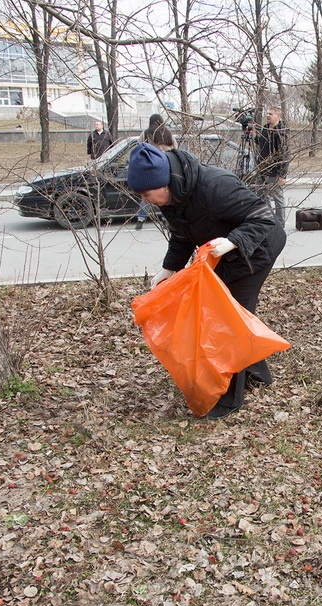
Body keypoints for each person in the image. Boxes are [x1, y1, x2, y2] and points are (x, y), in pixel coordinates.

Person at [127, 142, 287, 420]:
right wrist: (170, 268)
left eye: (146, 194)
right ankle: (258, 373)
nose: (145, 201)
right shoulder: (173, 197)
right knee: (236, 313)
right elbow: (181, 234)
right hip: (223, 254)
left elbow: (263, 218)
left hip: (257, 250)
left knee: (229, 320)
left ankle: (227, 399)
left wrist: (234, 241)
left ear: (164, 183)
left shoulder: (215, 186)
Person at [135, 115, 176, 230]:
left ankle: (141, 219)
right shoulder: (168, 134)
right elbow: (175, 149)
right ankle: (165, 219)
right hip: (167, 168)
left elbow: (139, 149)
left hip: (151, 168)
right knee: (164, 196)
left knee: (147, 195)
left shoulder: (146, 134)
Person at [251, 107, 290, 228]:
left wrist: (283, 175)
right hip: (262, 169)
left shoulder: (281, 132)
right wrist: (254, 135)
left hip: (274, 171)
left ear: (278, 116)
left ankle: (280, 222)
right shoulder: (265, 129)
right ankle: (268, 219)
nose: (268, 116)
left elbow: (285, 155)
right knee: (262, 195)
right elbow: (262, 144)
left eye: (271, 114)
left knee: (277, 197)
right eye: (267, 114)